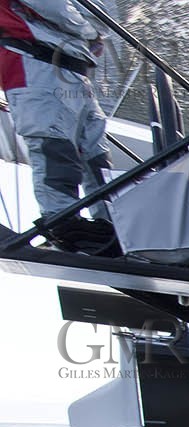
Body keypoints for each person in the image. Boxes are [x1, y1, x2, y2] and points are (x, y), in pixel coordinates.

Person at [0, 0, 116, 251]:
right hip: (33, 62)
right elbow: (56, 9)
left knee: (95, 154)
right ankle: (62, 224)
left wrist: (91, 27)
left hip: (72, 68)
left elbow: (101, 15)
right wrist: (90, 31)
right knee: (54, 145)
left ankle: (112, 223)